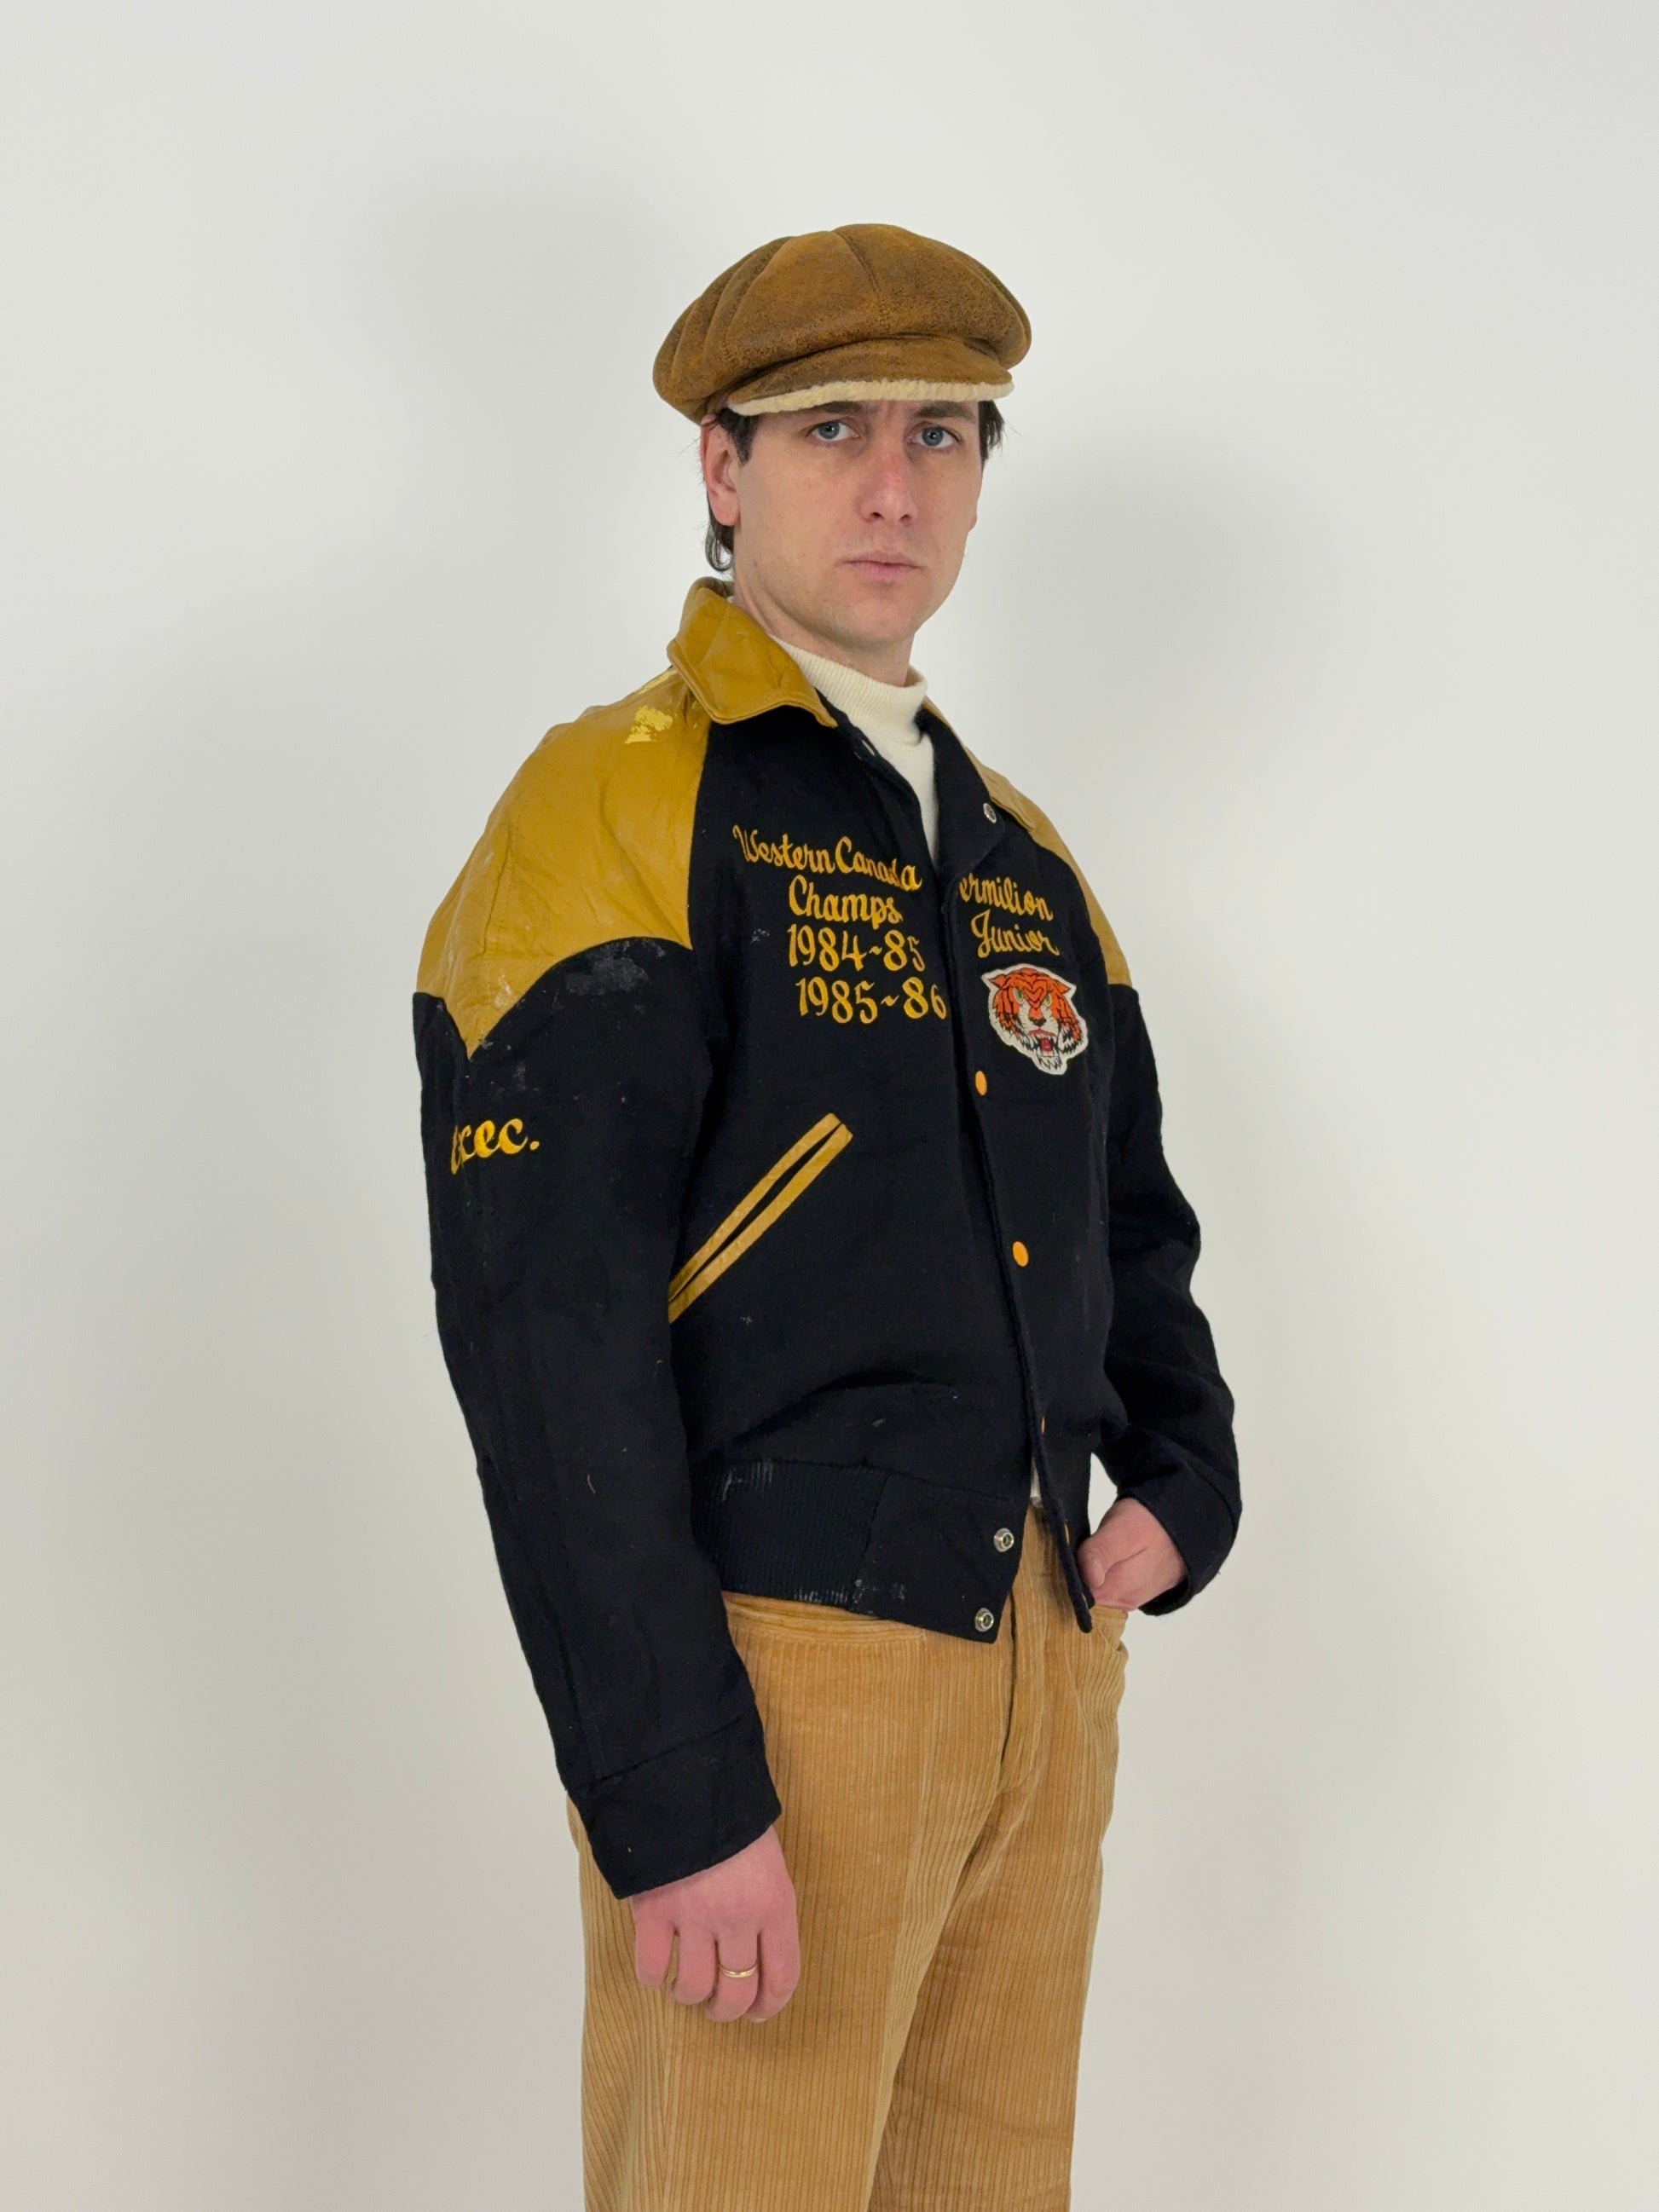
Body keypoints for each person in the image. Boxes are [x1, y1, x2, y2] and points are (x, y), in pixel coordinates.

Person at [413, 223, 1240, 2212]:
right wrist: (669, 1784)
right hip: (782, 1681)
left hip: (1041, 1667)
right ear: (721, 466)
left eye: (942, 434)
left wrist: (1187, 1467)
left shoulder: (1022, 857)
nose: (893, 484)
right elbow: (545, 1330)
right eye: (829, 429)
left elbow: (1128, 1222)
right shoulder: (616, 802)